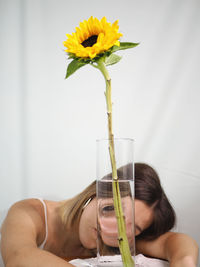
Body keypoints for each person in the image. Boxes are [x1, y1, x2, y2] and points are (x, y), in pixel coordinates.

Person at [0, 163, 198, 267]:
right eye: (112, 209)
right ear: (98, 191)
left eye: (129, 226)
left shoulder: (114, 240)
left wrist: (185, 262)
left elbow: (171, 242)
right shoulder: (30, 213)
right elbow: (18, 258)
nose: (108, 227)